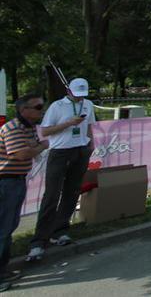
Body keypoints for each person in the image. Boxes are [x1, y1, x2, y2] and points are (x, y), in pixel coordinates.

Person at [26, 78, 96, 263]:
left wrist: (91, 144)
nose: (80, 98)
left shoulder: (88, 104)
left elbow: (89, 126)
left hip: (81, 150)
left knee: (72, 192)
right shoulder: (57, 106)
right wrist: (68, 123)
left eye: (83, 95)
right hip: (60, 152)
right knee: (52, 194)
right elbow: (45, 132)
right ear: (69, 91)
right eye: (77, 94)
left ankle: (60, 231)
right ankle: (39, 240)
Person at [0, 95, 49, 291]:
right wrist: (42, 146)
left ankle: (3, 269)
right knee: (2, 229)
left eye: (42, 106)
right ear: (23, 110)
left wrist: (35, 147)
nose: (41, 110)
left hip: (16, 181)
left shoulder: (29, 128)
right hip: (5, 182)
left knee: (8, 227)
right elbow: (22, 154)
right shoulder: (13, 128)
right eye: (37, 107)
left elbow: (31, 149)